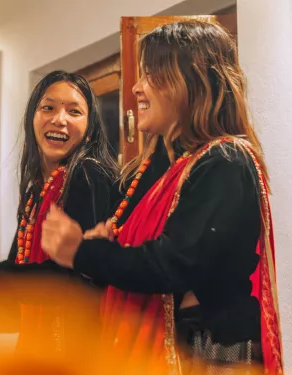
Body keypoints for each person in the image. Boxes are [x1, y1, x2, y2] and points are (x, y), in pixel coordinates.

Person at [42, 21, 283, 375]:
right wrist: (104, 247)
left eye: (152, 74)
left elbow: (175, 263)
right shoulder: (174, 169)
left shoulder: (226, 162)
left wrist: (83, 251)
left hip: (214, 356)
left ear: (192, 81)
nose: (137, 88)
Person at [0, 71, 119, 364]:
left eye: (74, 111)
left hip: (82, 354)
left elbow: (78, 276)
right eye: (49, 107)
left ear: (90, 129)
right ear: (32, 119)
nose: (60, 119)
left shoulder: (88, 174)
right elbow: (22, 280)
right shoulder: (35, 195)